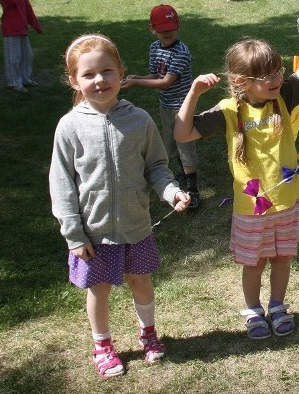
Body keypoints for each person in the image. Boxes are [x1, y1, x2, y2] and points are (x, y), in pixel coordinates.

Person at [174, 0, 299, 339]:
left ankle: (277, 305)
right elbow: (182, 133)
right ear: (243, 82)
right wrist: (194, 93)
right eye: (267, 75)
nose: (277, 78)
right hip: (252, 205)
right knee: (254, 262)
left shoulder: (285, 94)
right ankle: (253, 310)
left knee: (282, 258)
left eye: (278, 70)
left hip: (288, 198)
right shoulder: (230, 110)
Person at [49, 34, 190, 378]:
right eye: (88, 74)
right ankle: (102, 344)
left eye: (107, 71)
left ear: (121, 73)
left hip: (136, 226)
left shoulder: (139, 119)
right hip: (93, 234)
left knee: (141, 281)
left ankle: (148, 333)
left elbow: (156, 166)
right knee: (99, 291)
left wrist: (171, 191)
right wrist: (73, 233)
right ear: (74, 81)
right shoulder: (69, 126)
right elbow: (62, 183)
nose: (99, 80)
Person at [122, 5, 201, 209]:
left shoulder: (181, 52)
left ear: (178, 26)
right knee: (170, 144)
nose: (167, 32)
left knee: (185, 145)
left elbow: (166, 82)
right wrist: (137, 77)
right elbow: (156, 76)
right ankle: (183, 174)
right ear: (152, 28)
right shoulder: (154, 48)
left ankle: (193, 190)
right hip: (165, 105)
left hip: (182, 107)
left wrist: (136, 83)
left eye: (171, 27)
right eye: (162, 28)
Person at [0, 0, 43, 94]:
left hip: (22, 30)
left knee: (27, 56)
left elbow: (29, 12)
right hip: (10, 31)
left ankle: (25, 78)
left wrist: (36, 26)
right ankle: (14, 82)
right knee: (13, 58)